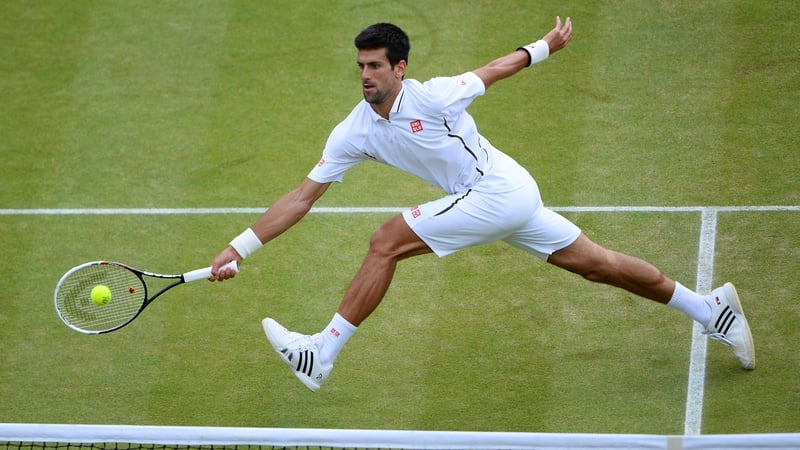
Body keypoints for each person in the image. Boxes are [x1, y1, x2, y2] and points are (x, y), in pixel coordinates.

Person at [210, 17, 755, 392]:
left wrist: (543, 47)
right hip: (501, 196)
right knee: (599, 266)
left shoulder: (435, 95)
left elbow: (497, 68)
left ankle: (322, 353)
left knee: (385, 241)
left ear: (400, 68)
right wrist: (239, 247)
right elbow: (302, 196)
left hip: (499, 190)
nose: (366, 76)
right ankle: (710, 309)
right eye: (361, 66)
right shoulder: (352, 132)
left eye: (376, 66)